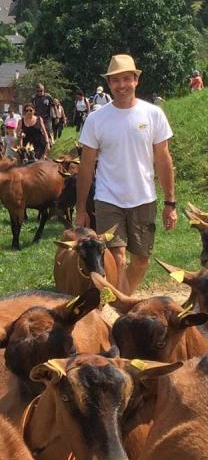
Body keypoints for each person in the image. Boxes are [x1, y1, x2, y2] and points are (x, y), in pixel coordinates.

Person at [75, 53, 177, 295]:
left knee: (141, 260)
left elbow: (163, 160)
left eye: (126, 79)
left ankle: (123, 299)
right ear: (109, 83)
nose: (121, 85)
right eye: (115, 80)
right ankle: (122, 308)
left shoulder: (153, 114)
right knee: (117, 258)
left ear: (136, 80)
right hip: (108, 199)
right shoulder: (96, 119)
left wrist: (170, 202)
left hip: (143, 198)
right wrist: (81, 208)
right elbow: (86, 166)